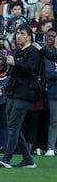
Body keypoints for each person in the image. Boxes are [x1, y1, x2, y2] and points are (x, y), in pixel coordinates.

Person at [0, 24, 39, 168]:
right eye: (17, 33)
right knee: (14, 127)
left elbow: (31, 69)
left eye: (22, 33)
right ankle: (27, 159)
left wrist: (15, 64)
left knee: (13, 126)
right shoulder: (17, 51)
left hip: (25, 94)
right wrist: (3, 86)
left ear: (29, 36)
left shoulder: (33, 52)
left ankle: (7, 158)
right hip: (14, 93)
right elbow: (11, 75)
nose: (18, 35)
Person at [43, 28, 57, 156]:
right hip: (53, 92)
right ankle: (51, 147)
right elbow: (49, 73)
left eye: (53, 36)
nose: (50, 38)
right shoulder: (47, 53)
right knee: (54, 121)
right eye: (48, 35)